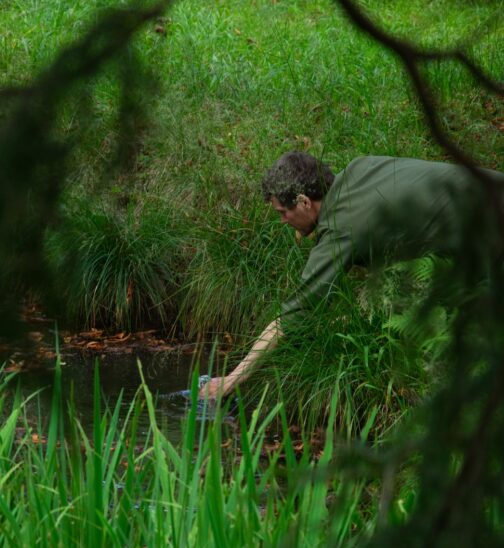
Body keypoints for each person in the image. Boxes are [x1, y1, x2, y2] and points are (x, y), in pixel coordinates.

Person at [200, 151, 504, 400]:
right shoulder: (359, 169)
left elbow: (295, 312)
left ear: (304, 202)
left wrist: (231, 379)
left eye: (283, 213)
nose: (282, 221)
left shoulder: (341, 227)